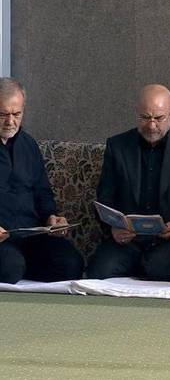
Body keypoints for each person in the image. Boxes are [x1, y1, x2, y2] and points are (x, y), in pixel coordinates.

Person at [86, 84, 170, 281]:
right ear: (136, 113)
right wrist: (113, 228)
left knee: (156, 268)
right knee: (98, 271)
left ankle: (145, 264)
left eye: (159, 118)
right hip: (129, 240)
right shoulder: (118, 146)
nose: (151, 125)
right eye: (145, 117)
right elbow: (105, 197)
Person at [0, 77, 84, 283]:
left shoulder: (29, 145)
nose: (10, 122)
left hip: (31, 235)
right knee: (11, 268)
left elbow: (42, 192)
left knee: (71, 264)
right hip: (2, 239)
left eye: (16, 114)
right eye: (2, 115)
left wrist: (51, 218)